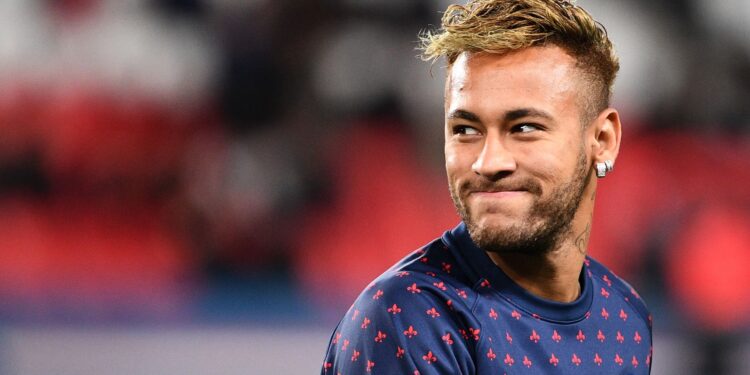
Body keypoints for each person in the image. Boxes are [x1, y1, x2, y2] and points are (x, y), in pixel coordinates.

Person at [320, 0, 652, 373]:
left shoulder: (626, 319)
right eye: (466, 130)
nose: (487, 162)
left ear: (603, 140)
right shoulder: (412, 317)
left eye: (524, 128)